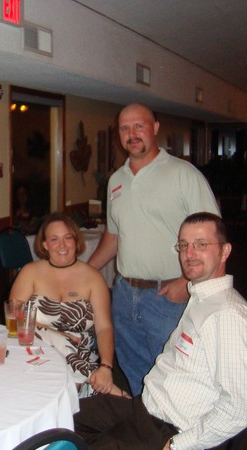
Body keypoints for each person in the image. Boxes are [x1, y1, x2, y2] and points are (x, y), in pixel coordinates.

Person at [74, 212, 247, 450]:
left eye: (201, 244)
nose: (190, 253)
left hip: (168, 434)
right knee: (64, 419)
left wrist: (177, 447)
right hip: (145, 410)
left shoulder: (227, 316)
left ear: (224, 251)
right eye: (184, 245)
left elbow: (240, 408)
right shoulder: (202, 298)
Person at [88, 103, 220, 396]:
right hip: (124, 295)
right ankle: (146, 423)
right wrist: (85, 271)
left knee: (175, 376)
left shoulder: (183, 174)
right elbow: (113, 237)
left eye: (139, 126)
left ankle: (174, 427)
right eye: (125, 128)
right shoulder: (116, 181)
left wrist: (187, 282)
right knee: (136, 374)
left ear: (155, 128)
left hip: (168, 297)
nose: (132, 134)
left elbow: (213, 237)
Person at [10, 213, 114, 397]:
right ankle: (105, 387)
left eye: (68, 238)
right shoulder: (30, 272)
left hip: (80, 354)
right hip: (37, 352)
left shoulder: (94, 278)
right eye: (54, 239)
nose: (62, 245)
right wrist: (58, 334)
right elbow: (14, 317)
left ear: (76, 241)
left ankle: (89, 379)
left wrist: (106, 366)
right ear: (45, 245)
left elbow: (104, 328)